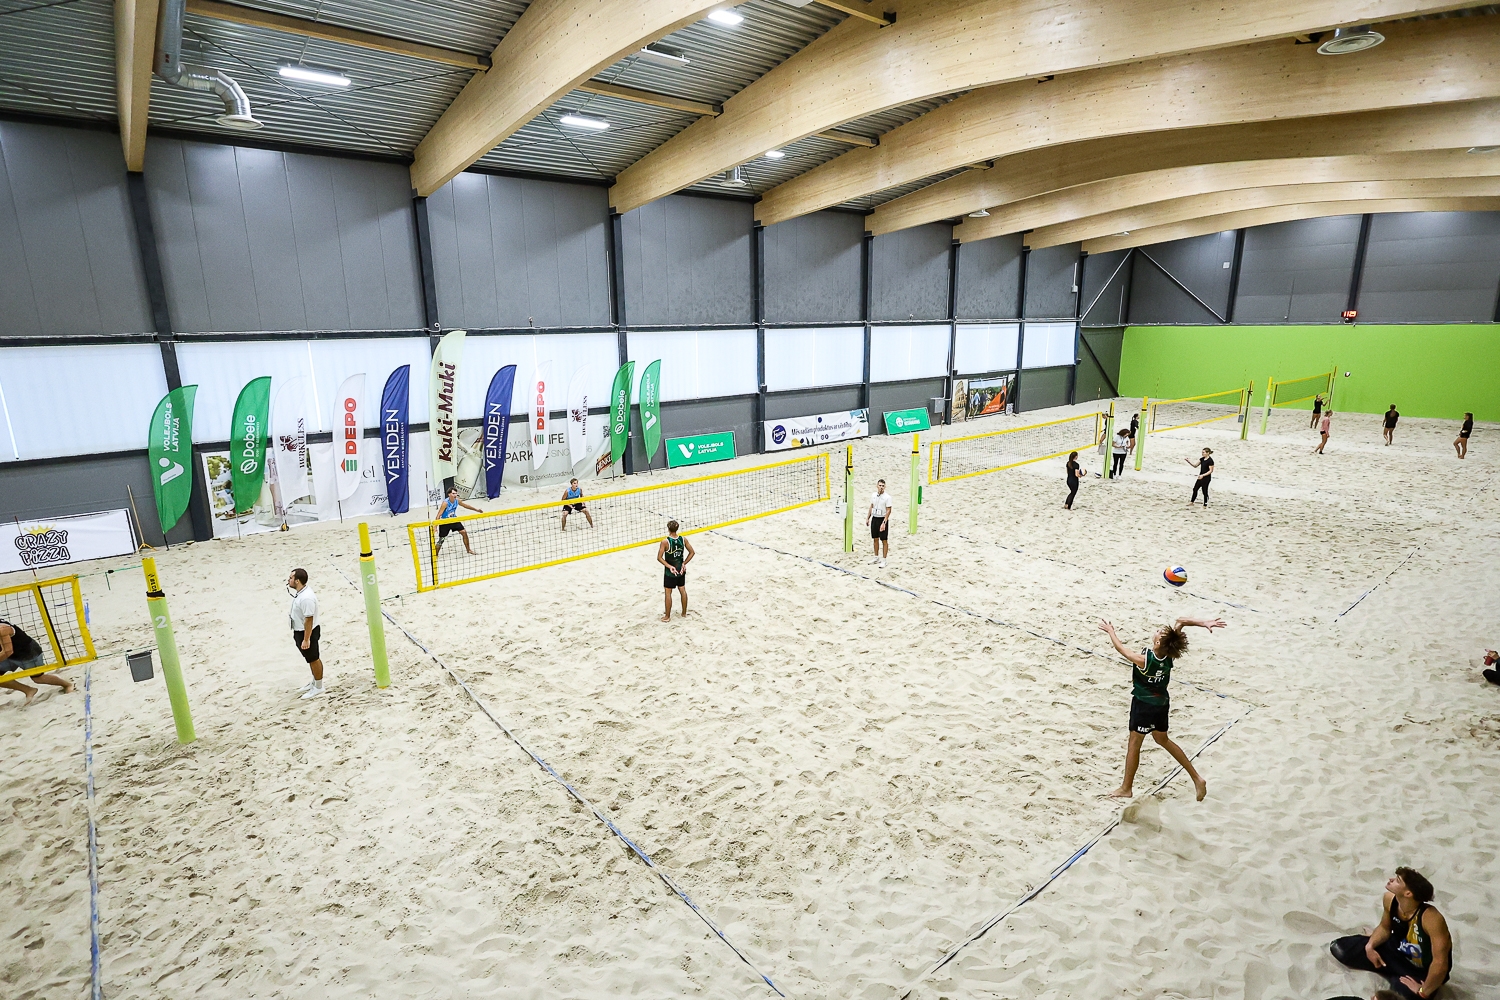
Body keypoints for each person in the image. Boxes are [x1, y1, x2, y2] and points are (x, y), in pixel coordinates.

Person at [1097, 616, 1226, 801]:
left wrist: (1111, 632)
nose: (1157, 631)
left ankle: (1126, 788)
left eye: (1159, 632)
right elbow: (1181, 622)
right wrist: (1203, 623)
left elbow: (1121, 649)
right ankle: (1197, 778)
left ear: (1158, 642)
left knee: (1134, 744)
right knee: (1162, 739)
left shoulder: (1144, 660)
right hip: (1162, 704)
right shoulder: (1170, 654)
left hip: (1144, 706)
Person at [1330, 868, 1452, 999]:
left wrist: (1423, 991)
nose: (1391, 880)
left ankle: (1397, 979)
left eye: (1397, 880)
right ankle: (1390, 971)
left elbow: (1440, 963)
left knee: (1402, 996)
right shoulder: (1389, 899)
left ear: (1408, 893)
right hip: (1395, 951)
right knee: (1340, 948)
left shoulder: (1431, 918)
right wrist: (1370, 946)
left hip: (1419, 970)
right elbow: (1384, 928)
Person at [0, 618, 73, 705]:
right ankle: (28, 690)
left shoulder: (2, 629)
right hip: (10, 655)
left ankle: (67, 684)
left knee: (38, 678)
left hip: (28, 653)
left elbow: (8, 651)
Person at [287, 568, 325, 699]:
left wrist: (306, 639)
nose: (288, 580)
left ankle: (319, 687)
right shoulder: (301, 593)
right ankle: (314, 682)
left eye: (291, 578)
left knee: (314, 658)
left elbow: (309, 619)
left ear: (297, 581)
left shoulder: (306, 598)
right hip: (300, 631)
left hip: (307, 632)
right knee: (310, 658)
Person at [656, 519, 694, 622]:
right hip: (680, 570)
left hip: (670, 572)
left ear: (668, 529)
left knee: (668, 593)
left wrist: (669, 566)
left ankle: (667, 617)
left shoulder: (665, 542)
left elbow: (659, 558)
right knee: (682, 590)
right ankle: (684, 613)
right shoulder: (683, 539)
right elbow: (692, 552)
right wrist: (684, 563)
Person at [435, 487, 480, 555]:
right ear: (449, 494)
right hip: (445, 522)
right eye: (453, 493)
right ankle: (435, 554)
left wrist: (476, 510)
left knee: (464, 532)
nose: (455, 495)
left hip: (454, 519)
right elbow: (439, 515)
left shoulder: (457, 500)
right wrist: (435, 527)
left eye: (456, 493)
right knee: (441, 540)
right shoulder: (445, 503)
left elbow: (466, 506)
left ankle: (468, 550)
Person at [867, 479, 892, 567]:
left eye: (883, 486)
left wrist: (884, 522)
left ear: (885, 487)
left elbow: (889, 510)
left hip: (882, 519)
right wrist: (868, 518)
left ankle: (884, 559)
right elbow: (871, 506)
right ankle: (876, 557)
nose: (881, 487)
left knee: (884, 540)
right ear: (877, 486)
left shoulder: (887, 497)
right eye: (880, 485)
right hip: (875, 518)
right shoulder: (873, 495)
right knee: (875, 538)